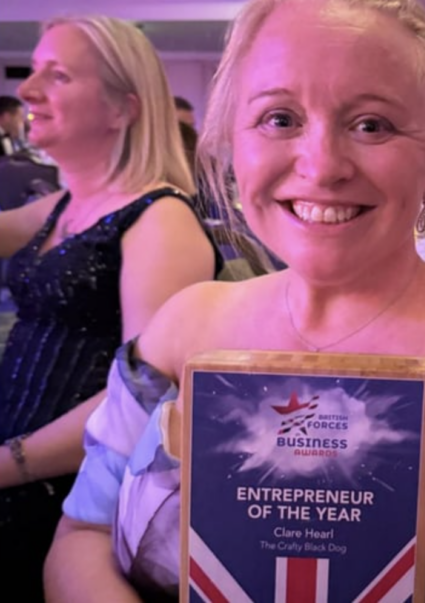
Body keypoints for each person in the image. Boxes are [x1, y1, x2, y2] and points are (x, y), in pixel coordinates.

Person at [46, 1, 425, 601]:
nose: (322, 166)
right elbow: (82, 535)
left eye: (373, 125)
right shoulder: (183, 326)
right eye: (280, 119)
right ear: (233, 144)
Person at [0, 15, 221, 601]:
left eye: (58, 74)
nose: (26, 89)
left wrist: (8, 464)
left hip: (65, 493)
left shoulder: (159, 220)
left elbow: (146, 401)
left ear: (123, 108)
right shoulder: (67, 204)